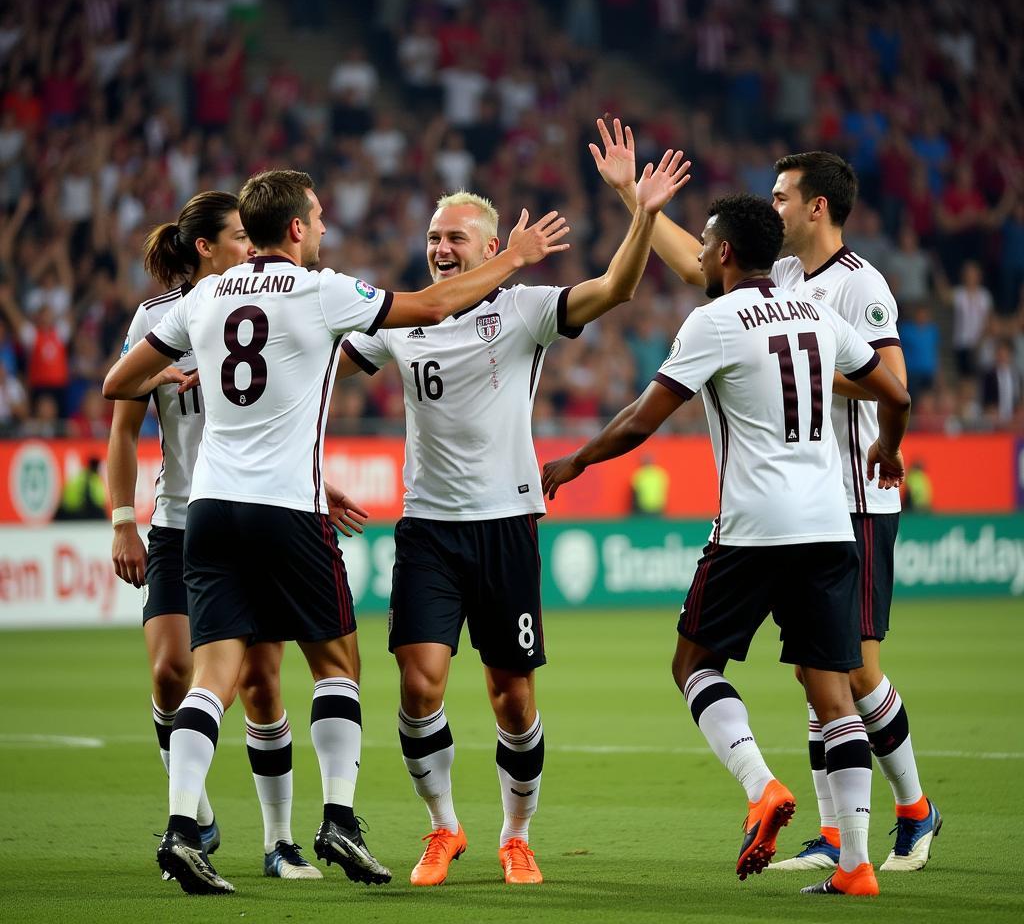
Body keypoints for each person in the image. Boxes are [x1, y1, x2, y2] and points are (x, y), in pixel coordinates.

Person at [102, 169, 571, 896]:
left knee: (213, 675)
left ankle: (181, 829)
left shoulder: (199, 297)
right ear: (294, 228)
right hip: (288, 506)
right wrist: (512, 259)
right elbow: (433, 304)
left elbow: (119, 382)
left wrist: (185, 376)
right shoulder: (320, 289)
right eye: (316, 219)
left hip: (211, 510)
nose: (323, 230)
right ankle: (340, 822)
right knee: (337, 666)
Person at [334, 150, 690, 887]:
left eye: (456, 239)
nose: (440, 248)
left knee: (512, 696)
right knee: (418, 682)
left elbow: (617, 288)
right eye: (435, 237)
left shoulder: (523, 309)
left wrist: (641, 209)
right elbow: (318, 370)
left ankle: (516, 834)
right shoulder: (400, 320)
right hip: (429, 526)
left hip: (506, 525)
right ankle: (442, 827)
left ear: (492, 249)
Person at [591, 123, 940, 873]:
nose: (772, 206)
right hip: (811, 502)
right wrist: (633, 196)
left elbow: (893, 384)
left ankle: (914, 810)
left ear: (816, 208)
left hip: (856, 493)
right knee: (817, 675)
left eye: (782, 196)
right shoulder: (780, 279)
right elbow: (699, 263)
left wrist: (792, 368)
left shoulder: (857, 284)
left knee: (853, 671)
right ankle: (837, 838)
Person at [107, 190, 329, 880]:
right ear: (206, 247)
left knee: (262, 682)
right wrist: (122, 519)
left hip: (258, 510)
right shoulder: (159, 319)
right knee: (173, 671)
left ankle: (280, 840)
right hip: (182, 522)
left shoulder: (270, 301)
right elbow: (120, 421)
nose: (249, 247)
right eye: (237, 237)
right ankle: (195, 816)